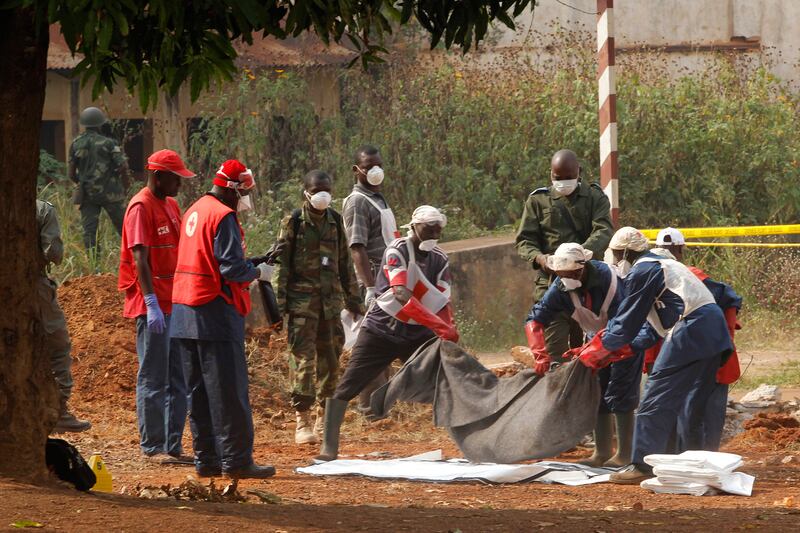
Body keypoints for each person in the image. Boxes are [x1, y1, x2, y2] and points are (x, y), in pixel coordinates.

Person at [573, 227, 733, 484]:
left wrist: (591, 353)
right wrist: (614, 352)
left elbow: (625, 324)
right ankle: (693, 465)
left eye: (615, 255)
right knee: (692, 405)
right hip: (712, 331)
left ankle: (642, 465)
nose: (614, 261)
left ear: (624, 252)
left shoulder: (644, 270)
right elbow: (650, 329)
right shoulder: (663, 264)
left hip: (690, 329)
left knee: (654, 399)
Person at [315, 206, 459, 462]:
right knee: (350, 383)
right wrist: (438, 325)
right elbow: (401, 293)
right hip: (382, 330)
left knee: (443, 379)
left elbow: (442, 300)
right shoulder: (397, 250)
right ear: (414, 226)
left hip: (417, 333)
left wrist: (448, 327)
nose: (435, 234)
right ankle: (329, 444)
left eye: (439, 229)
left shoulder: (439, 258)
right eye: (430, 228)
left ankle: (463, 437)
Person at [170, 159, 276, 479]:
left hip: (184, 312)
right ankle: (237, 461)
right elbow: (230, 269)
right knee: (229, 391)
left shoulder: (195, 209)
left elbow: (207, 256)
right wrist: (257, 272)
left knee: (198, 392)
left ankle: (207, 460)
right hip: (214, 313)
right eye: (244, 192)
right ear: (232, 189)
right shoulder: (224, 216)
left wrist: (249, 262)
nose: (245, 199)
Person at [524, 242, 641, 467]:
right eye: (561, 275)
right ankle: (602, 452)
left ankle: (625, 454)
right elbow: (535, 319)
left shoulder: (610, 281)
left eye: (570, 274)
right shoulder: (561, 286)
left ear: (582, 268)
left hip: (627, 339)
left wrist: (597, 348)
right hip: (596, 341)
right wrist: (539, 353)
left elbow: (624, 323)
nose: (565, 279)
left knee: (621, 392)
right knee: (596, 392)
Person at [274, 170, 364, 445]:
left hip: (330, 305)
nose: (322, 194)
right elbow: (282, 264)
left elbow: (344, 265)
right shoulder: (294, 222)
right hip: (302, 306)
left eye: (326, 189)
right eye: (317, 190)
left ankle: (324, 420)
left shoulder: (335, 221)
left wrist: (354, 301)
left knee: (331, 363)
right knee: (302, 363)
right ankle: (302, 421)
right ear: (307, 192)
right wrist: (279, 307)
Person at [118, 149, 195, 463]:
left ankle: (172, 446)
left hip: (175, 302)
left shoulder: (172, 204)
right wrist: (150, 302)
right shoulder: (140, 207)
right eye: (175, 178)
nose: (180, 184)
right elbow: (140, 259)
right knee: (153, 376)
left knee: (179, 377)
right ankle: (153, 447)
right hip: (153, 305)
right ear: (158, 175)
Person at [516, 149, 613, 363]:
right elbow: (525, 240)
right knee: (555, 354)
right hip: (551, 281)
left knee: (588, 352)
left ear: (579, 172)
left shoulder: (594, 197)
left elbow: (604, 229)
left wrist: (580, 254)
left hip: (587, 280)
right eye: (558, 178)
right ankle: (557, 389)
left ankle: (587, 392)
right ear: (551, 175)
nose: (564, 182)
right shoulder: (538, 201)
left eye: (569, 177)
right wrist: (542, 259)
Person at [652, 227, 742, 451]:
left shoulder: (669, 276)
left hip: (697, 355)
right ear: (681, 250)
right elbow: (731, 301)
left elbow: (729, 300)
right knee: (695, 415)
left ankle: (696, 460)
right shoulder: (690, 276)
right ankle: (696, 460)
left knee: (692, 414)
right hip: (696, 354)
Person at [342, 144, 400, 415]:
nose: (375, 171)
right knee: (373, 344)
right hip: (374, 280)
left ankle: (380, 406)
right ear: (357, 170)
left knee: (386, 341)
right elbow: (357, 248)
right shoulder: (358, 202)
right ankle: (369, 408)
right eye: (368, 167)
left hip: (387, 279)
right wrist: (368, 287)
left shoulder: (377, 197)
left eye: (378, 164)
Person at [36, 199, 92, 433]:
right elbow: (54, 253)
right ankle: (59, 411)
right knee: (58, 346)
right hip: (31, 286)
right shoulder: (41, 209)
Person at [69, 107, 129, 252]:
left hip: (88, 194)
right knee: (126, 229)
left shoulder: (76, 143)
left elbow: (71, 174)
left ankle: (95, 268)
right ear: (100, 124)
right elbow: (123, 166)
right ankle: (132, 260)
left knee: (89, 233)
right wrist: (124, 186)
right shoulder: (109, 143)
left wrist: (83, 181)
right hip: (111, 193)